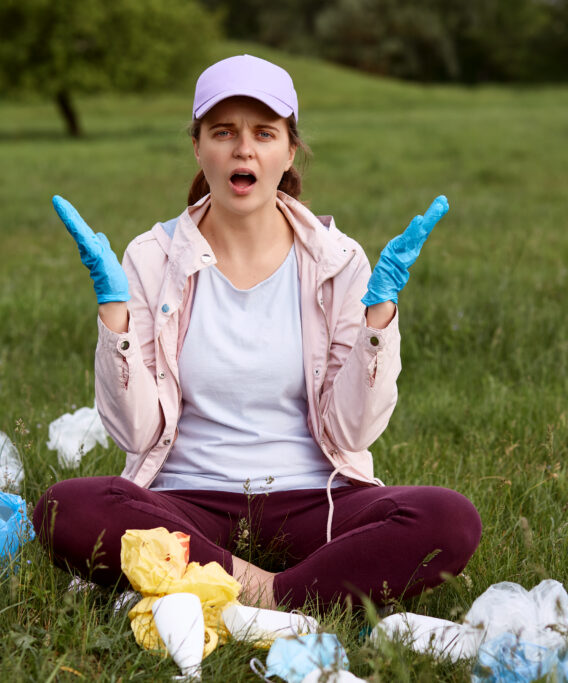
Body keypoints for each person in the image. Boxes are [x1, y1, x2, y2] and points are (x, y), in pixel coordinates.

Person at [33, 54, 481, 609]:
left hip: (319, 501)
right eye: (223, 132)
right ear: (198, 146)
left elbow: (354, 431)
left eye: (264, 133)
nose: (243, 148)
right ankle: (292, 596)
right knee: (65, 507)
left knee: (449, 519)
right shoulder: (150, 258)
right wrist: (115, 318)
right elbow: (136, 435)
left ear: (288, 150)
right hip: (187, 505)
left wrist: (378, 320)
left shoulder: (340, 262)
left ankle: (243, 593)